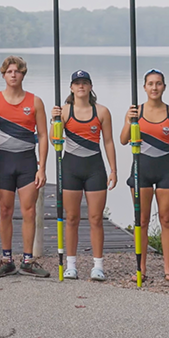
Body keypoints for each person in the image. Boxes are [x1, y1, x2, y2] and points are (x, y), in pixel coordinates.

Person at [120, 69, 169, 282]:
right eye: (150, 84)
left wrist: (164, 152)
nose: (154, 88)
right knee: (141, 220)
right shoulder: (135, 112)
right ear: (144, 87)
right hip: (142, 169)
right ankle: (141, 268)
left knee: (167, 219)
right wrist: (129, 121)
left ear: (164, 87)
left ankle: (168, 268)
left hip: (166, 169)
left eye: (158, 84)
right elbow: (123, 140)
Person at [51, 70, 117, 281]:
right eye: (77, 83)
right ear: (71, 88)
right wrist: (54, 121)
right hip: (71, 167)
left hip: (94, 168)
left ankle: (98, 265)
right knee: (72, 218)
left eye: (85, 83)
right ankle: (71, 264)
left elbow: (108, 142)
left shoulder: (102, 112)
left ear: (90, 87)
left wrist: (113, 169)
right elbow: (55, 141)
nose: (81, 86)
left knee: (96, 218)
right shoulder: (63, 111)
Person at [0, 56, 50, 278]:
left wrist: (42, 167)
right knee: (5, 211)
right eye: (9, 71)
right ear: (3, 75)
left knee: (29, 211)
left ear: (23, 74)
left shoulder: (35, 102)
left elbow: (43, 136)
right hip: (4, 160)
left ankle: (28, 260)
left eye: (17, 71)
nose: (13, 75)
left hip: (26, 161)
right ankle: (6, 259)